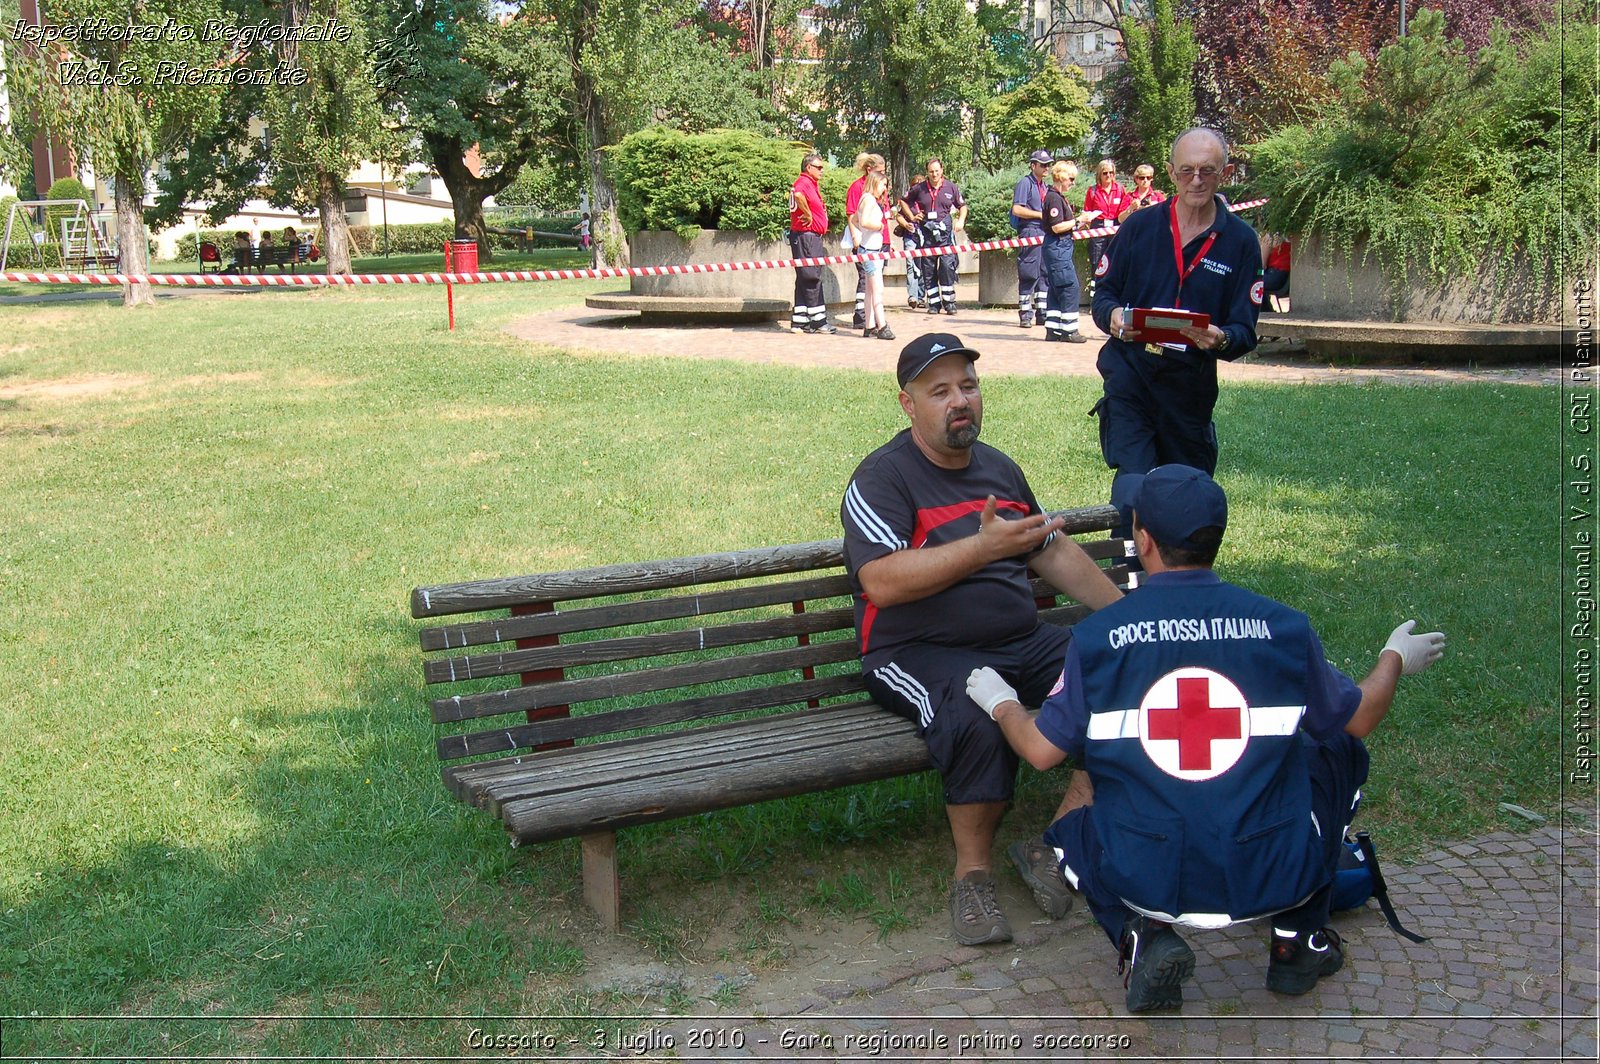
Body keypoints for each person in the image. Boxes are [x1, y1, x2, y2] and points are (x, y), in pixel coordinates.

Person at [966, 464, 1446, 1012]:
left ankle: (1141, 936)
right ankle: (1298, 941)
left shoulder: (1098, 639)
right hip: (1270, 868)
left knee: (1070, 833)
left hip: (1150, 873)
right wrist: (1393, 659)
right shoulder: (1283, 626)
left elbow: (1039, 750)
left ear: (1142, 540)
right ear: (1216, 538)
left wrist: (1001, 702)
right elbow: (1357, 718)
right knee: (1338, 749)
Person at [841, 333, 1125, 946]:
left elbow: (1052, 552)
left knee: (1120, 682)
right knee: (975, 720)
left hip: (1020, 640)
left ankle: (1056, 844)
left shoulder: (999, 469)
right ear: (907, 403)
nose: (958, 400)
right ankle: (972, 875)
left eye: (967, 385)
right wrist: (982, 547)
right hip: (915, 653)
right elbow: (880, 584)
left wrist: (1129, 621)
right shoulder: (883, 479)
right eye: (939, 390)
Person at [1091, 127, 1263, 540]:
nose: (1197, 180)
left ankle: (1180, 594)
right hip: (1131, 377)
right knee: (1132, 489)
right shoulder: (1140, 227)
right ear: (1171, 173)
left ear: (1226, 172)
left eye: (1207, 170)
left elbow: (1245, 329)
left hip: (1189, 388)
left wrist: (1222, 339)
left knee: (1186, 496)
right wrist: (1113, 316)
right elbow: (1103, 296)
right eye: (1186, 171)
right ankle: (1131, 590)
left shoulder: (1241, 242)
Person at [905, 159, 966, 315]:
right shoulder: (919, 188)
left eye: (937, 171)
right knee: (929, 270)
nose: (934, 174)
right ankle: (934, 303)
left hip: (945, 235)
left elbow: (962, 206)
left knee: (947, 267)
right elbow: (903, 201)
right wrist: (912, 216)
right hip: (927, 235)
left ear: (942, 170)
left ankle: (949, 302)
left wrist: (960, 220)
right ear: (927, 172)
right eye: (931, 171)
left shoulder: (951, 187)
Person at [1041, 160, 1091, 344]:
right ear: (1061, 177)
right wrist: (1079, 220)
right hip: (1057, 247)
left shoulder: (1057, 197)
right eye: (1071, 178)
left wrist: (1080, 223)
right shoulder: (1054, 198)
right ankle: (1070, 330)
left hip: (1058, 247)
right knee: (1069, 287)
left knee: (1056, 288)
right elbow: (1056, 227)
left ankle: (1053, 329)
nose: (1072, 182)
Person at [788, 153, 835, 334]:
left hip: (807, 236)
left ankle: (799, 320)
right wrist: (807, 213)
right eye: (819, 167)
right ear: (809, 168)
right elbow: (798, 194)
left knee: (804, 276)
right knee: (811, 276)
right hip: (806, 236)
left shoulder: (811, 183)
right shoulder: (804, 182)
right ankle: (818, 320)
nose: (822, 171)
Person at [1010, 150, 1053, 328]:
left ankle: (1041, 312)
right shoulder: (1025, 184)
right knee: (1029, 273)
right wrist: (1040, 215)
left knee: (1044, 274)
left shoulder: (1045, 186)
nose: (1046, 168)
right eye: (1043, 165)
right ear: (1033, 165)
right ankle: (1025, 313)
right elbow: (1017, 210)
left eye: (1048, 164)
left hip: (1043, 232)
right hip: (1030, 231)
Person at [849, 171, 895, 340]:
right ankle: (882, 325)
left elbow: (854, 220)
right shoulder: (869, 200)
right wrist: (879, 227)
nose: (885, 189)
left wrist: (858, 236)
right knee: (878, 290)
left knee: (869, 290)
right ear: (875, 183)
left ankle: (869, 326)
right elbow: (864, 222)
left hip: (868, 249)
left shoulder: (865, 199)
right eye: (883, 185)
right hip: (870, 251)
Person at [847, 153, 887, 330]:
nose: (885, 184)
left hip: (876, 246)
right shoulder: (862, 192)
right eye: (881, 176)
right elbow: (856, 219)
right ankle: (879, 324)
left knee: (872, 287)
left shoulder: (875, 196)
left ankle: (870, 324)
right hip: (868, 247)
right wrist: (857, 236)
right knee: (873, 286)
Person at [1082, 160, 1130, 303]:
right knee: (1097, 264)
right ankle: (1095, 300)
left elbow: (1124, 211)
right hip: (1098, 227)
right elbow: (1087, 211)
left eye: (1111, 172)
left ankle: (1113, 296)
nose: (1108, 175)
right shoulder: (1093, 191)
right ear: (1099, 175)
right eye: (1105, 173)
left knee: (1115, 261)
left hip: (1115, 226)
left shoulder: (1120, 190)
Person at [897, 174, 927, 309]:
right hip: (910, 236)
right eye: (915, 184)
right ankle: (912, 296)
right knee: (911, 265)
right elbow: (898, 216)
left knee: (923, 265)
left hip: (925, 236)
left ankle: (921, 296)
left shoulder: (926, 200)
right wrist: (906, 224)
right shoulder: (907, 202)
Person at [1261, 232, 1292, 312]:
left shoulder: (1271, 235)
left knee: (1250, 281)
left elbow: (1261, 265)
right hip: (1287, 280)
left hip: (1274, 275)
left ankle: (1265, 311)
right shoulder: (1293, 237)